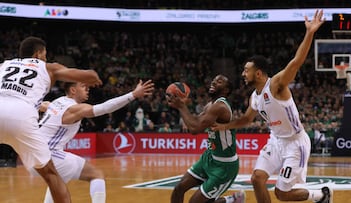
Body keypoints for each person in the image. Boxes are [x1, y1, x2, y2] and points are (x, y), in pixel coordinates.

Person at [212, 10, 332, 203]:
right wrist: (223, 126)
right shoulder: (254, 97)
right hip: (276, 141)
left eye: (246, 70)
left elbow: (296, 62)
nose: (243, 74)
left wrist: (310, 33)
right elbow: (246, 120)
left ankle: (321, 196)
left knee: (282, 194)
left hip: (295, 143)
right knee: (257, 179)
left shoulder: (276, 85)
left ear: (258, 73)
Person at [0, 36, 102, 203]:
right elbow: (88, 75)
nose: (46, 58)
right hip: (22, 115)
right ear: (38, 54)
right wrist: (93, 77)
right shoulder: (48, 68)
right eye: (45, 54)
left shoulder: (5, 65)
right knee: (52, 176)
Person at [36, 79, 154, 203]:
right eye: (83, 86)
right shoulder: (75, 109)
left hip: (35, 153)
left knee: (58, 181)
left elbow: (40, 105)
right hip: (49, 154)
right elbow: (105, 108)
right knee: (96, 175)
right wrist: (133, 95)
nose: (87, 89)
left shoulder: (57, 102)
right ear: (73, 90)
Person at [167, 74, 245, 203]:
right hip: (209, 157)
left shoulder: (220, 107)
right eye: (213, 80)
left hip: (224, 166)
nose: (214, 82)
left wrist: (181, 107)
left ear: (226, 90)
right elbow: (195, 121)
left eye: (219, 82)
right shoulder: (210, 105)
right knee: (178, 189)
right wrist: (182, 106)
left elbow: (195, 129)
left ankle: (230, 201)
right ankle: (231, 200)